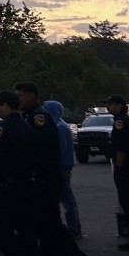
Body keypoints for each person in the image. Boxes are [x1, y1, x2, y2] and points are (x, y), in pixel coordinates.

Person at [14, 81, 96, 256]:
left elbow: (37, 149)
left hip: (45, 180)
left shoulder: (38, 117)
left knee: (52, 227)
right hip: (42, 180)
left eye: (22, 96)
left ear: (32, 96)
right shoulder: (31, 116)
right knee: (45, 229)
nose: (19, 99)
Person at [0, 90, 43, 256]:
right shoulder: (27, 126)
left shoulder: (3, 128)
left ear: (5, 105)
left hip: (10, 187)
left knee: (1, 231)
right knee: (26, 233)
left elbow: (1, 159)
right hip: (28, 185)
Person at [43, 100, 81, 239]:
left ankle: (73, 229)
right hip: (63, 166)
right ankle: (74, 227)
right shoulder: (60, 125)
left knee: (66, 199)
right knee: (67, 198)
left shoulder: (59, 127)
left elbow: (59, 150)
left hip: (61, 167)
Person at [105, 94, 129, 251]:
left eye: (111, 104)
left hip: (125, 167)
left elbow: (121, 145)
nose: (108, 107)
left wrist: (119, 165)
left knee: (126, 199)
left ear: (119, 106)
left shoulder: (120, 122)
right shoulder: (123, 119)